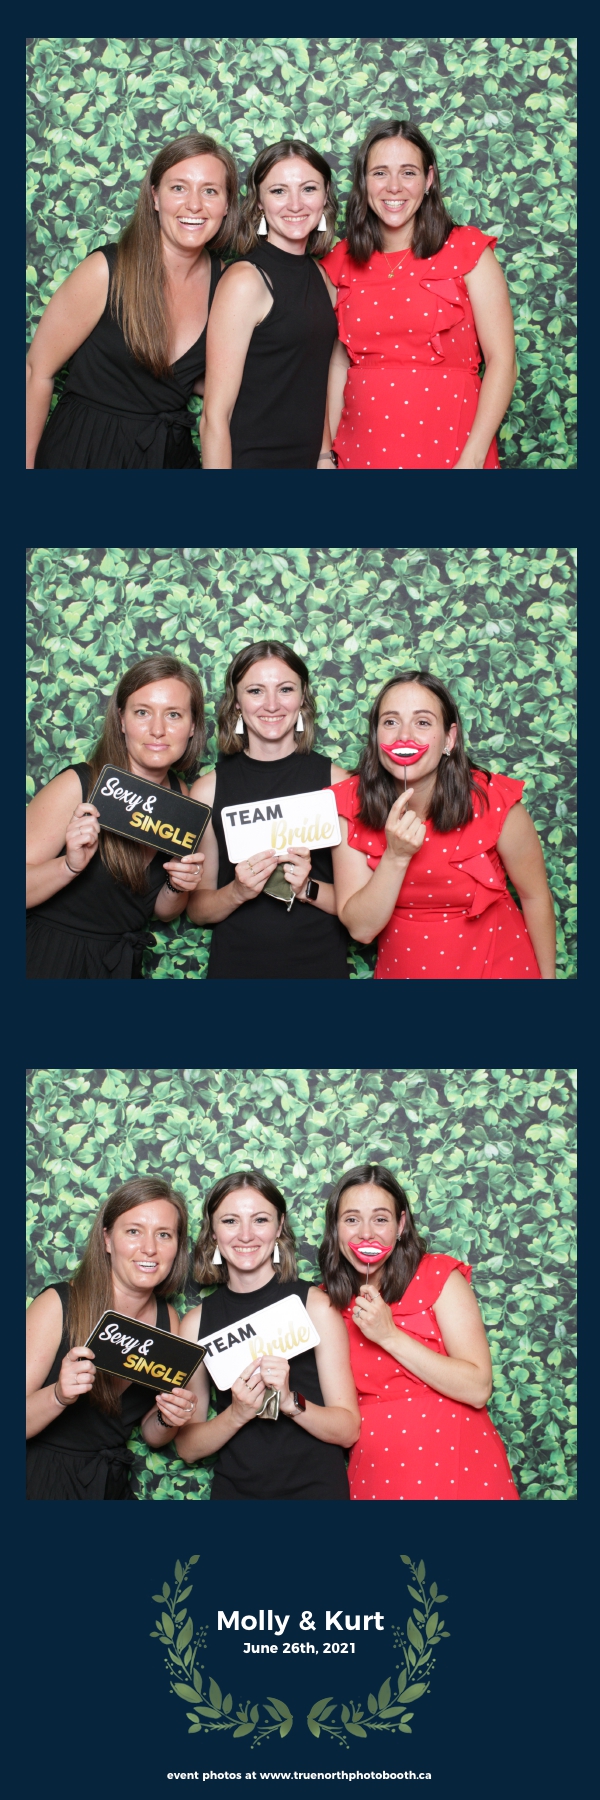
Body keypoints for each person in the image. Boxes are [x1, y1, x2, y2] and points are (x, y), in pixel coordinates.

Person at [27, 132, 237, 468]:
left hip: (168, 457)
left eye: (210, 191)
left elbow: (192, 375)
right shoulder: (106, 270)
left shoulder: (228, 284)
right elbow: (35, 372)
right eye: (178, 187)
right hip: (85, 453)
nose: (194, 204)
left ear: (227, 205)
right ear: (155, 197)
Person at [331, 671, 555, 979]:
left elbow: (535, 896)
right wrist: (396, 857)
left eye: (422, 722)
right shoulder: (349, 804)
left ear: (449, 738)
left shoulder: (493, 800)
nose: (404, 736)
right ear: (376, 735)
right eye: (390, 722)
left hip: (499, 968)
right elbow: (361, 928)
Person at [322, 118, 517, 469]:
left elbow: (502, 361)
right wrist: (328, 455)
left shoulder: (468, 251)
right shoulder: (341, 261)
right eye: (380, 173)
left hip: (454, 452)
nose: (394, 186)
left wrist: (472, 460)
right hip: (361, 452)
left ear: (428, 180)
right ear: (363, 181)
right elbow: (338, 364)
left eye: (408, 173)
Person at [319, 1163, 520, 1501]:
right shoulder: (323, 1303)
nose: (366, 1233)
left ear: (400, 1225)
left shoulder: (439, 1276)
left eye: (380, 1219)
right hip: (378, 1472)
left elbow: (478, 1388)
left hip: (461, 1465)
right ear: (335, 1229)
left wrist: (389, 1336)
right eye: (351, 1219)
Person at [176, 1171, 360, 1499]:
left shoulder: (316, 1306)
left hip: (315, 1493)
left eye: (260, 1220)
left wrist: (289, 1401)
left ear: (279, 1227)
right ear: (213, 1232)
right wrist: (237, 1413)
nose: (246, 1235)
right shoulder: (195, 1324)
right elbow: (188, 1447)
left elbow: (348, 1430)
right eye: (230, 1221)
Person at [26, 654, 206, 978]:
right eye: (142, 712)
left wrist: (178, 885)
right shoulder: (79, 784)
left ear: (192, 726)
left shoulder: (180, 797)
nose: (157, 730)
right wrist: (68, 866)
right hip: (51, 959)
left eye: (174, 714)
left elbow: (161, 911)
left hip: (119, 965)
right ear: (121, 720)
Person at [26, 1177, 197, 1500]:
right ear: (106, 1239)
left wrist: (169, 1417)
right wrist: (59, 1395)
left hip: (109, 1484)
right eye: (133, 1231)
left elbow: (152, 1435)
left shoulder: (168, 1320)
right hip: (39, 1479)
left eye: (164, 1234)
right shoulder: (58, 1304)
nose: (149, 1248)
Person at [187, 640, 350, 978]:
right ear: (236, 702)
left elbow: (359, 909)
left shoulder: (337, 783)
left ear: (302, 697)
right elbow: (198, 910)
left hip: (319, 967)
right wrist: (237, 892)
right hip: (236, 969)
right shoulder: (207, 789)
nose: (272, 704)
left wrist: (306, 888)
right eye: (256, 691)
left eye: (285, 689)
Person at [200, 140, 339, 467]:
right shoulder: (245, 280)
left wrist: (324, 456)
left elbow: (312, 380)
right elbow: (215, 416)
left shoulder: (322, 277)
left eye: (308, 189)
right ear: (260, 203)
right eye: (278, 191)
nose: (295, 204)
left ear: (324, 197)